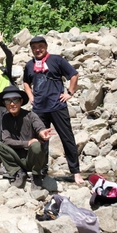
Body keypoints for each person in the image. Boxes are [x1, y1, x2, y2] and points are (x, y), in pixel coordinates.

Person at [23, 35, 84, 185]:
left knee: (67, 138)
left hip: (58, 106)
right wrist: (30, 96)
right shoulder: (29, 65)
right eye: (34, 47)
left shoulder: (56, 60)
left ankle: (75, 172)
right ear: (31, 49)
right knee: (41, 140)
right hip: (39, 109)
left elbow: (74, 74)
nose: (38, 50)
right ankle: (41, 170)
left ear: (46, 47)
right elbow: (25, 82)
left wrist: (69, 93)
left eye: (40, 46)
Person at [0, 86, 55, 189]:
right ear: (4, 104)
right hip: (17, 158)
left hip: (32, 158)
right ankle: (18, 172)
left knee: (36, 145)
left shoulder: (31, 115)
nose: (12, 104)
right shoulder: (5, 119)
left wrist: (42, 132)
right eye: (8, 101)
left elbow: (39, 127)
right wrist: (27, 143)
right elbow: (6, 140)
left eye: (15, 100)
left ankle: (36, 175)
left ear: (21, 101)